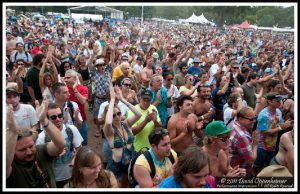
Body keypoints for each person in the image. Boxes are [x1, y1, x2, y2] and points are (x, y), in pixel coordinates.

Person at [6, 97, 66, 188]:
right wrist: (13, 132)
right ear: (12, 151)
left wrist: (44, 121)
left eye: (31, 146)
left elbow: (61, 145)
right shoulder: (11, 166)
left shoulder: (40, 151)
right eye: (22, 150)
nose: (29, 152)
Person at [103, 86, 142, 187]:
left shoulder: (126, 123)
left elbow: (138, 114)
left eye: (118, 113)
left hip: (130, 163)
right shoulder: (109, 130)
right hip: (116, 166)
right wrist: (112, 100)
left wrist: (122, 99)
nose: (116, 117)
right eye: (113, 115)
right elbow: (107, 123)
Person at [253, 94, 294, 175]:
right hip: (262, 146)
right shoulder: (263, 115)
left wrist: (287, 124)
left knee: (269, 166)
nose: (280, 102)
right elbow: (264, 132)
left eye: (280, 100)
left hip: (272, 145)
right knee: (257, 165)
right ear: (269, 102)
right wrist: (280, 128)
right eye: (277, 101)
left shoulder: (278, 111)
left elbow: (280, 124)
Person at [229, 106, 259, 176]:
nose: (254, 121)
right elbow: (250, 161)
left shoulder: (233, 123)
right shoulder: (242, 136)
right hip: (239, 171)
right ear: (240, 118)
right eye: (251, 119)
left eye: (255, 118)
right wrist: (255, 144)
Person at [64, 69, 89, 145]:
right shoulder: (64, 89)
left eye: (68, 78)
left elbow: (83, 101)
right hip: (68, 121)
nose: (66, 80)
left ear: (75, 78)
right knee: (71, 143)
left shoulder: (83, 88)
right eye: (65, 78)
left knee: (83, 142)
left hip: (81, 120)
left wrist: (75, 90)